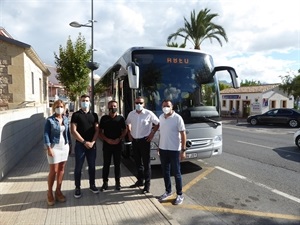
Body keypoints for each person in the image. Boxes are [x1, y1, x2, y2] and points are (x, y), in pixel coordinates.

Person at [126, 96, 159, 193]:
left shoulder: (149, 114)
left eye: (140, 103)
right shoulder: (131, 114)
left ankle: (147, 186)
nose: (138, 105)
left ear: (144, 104)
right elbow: (128, 123)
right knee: (137, 162)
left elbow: (157, 124)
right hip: (135, 141)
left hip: (145, 141)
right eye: (137, 103)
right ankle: (140, 181)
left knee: (146, 163)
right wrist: (129, 133)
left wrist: (152, 134)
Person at [158, 99, 186, 205]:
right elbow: (162, 133)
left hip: (174, 150)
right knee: (165, 172)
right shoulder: (161, 117)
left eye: (168, 106)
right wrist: (159, 146)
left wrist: (183, 150)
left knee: (176, 173)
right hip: (163, 149)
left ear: (172, 107)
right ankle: (168, 191)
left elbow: (183, 134)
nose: (166, 107)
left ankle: (180, 195)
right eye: (164, 106)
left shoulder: (177, 118)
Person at [71, 94, 99, 198]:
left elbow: (97, 130)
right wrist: (84, 142)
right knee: (78, 167)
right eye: (83, 100)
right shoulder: (76, 115)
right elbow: (73, 131)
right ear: (80, 101)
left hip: (92, 146)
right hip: (80, 145)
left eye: (87, 100)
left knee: (92, 166)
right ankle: (77, 187)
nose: (85, 102)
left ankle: (92, 185)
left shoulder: (94, 115)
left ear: (90, 102)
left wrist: (92, 142)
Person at [44, 99, 71, 206]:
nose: (59, 108)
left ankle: (58, 190)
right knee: (53, 171)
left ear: (64, 108)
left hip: (64, 147)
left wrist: (70, 146)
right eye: (57, 106)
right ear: (54, 108)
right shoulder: (50, 120)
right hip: (54, 147)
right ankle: (49, 192)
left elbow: (67, 133)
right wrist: (49, 148)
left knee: (61, 169)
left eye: (61, 106)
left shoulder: (65, 119)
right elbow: (45, 134)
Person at [98, 100, 127, 191]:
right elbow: (100, 132)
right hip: (107, 145)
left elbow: (125, 130)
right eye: (111, 106)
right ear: (108, 107)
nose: (113, 108)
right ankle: (105, 183)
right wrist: (107, 140)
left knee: (117, 164)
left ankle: (118, 183)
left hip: (118, 145)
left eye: (115, 106)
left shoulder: (121, 118)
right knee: (106, 164)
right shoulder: (104, 118)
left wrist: (120, 138)